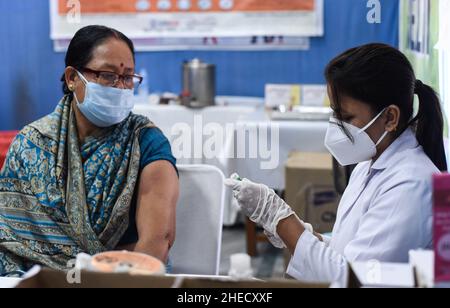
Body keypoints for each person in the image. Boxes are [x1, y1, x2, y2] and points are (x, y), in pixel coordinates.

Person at [226, 43, 447, 283]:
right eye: (333, 113)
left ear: (390, 118)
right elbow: (347, 251)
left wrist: (279, 218)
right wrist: (303, 232)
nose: (335, 125)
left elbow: (352, 278)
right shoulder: (368, 164)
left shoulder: (411, 185)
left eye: (346, 117)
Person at [0, 25, 179, 276]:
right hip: (37, 280)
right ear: (73, 78)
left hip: (122, 277)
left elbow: (157, 240)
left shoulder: (145, 142)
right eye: (107, 75)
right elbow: (8, 235)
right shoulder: (31, 143)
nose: (119, 87)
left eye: (128, 77)